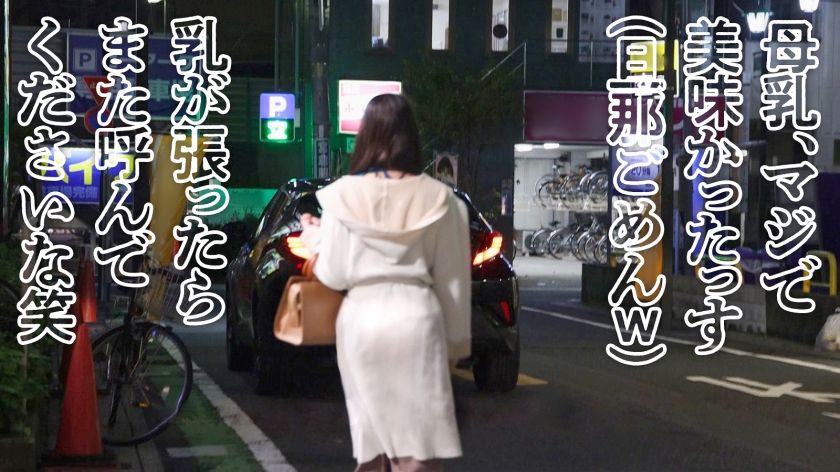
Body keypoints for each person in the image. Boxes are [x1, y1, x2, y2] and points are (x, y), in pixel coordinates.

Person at [299, 93, 471, 472]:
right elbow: (454, 284)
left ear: (366, 135)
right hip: (417, 319)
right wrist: (455, 347)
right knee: (416, 451)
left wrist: (315, 240)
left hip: (362, 320)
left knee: (372, 441)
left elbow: (335, 273)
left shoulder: (342, 196)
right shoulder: (442, 201)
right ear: (412, 136)